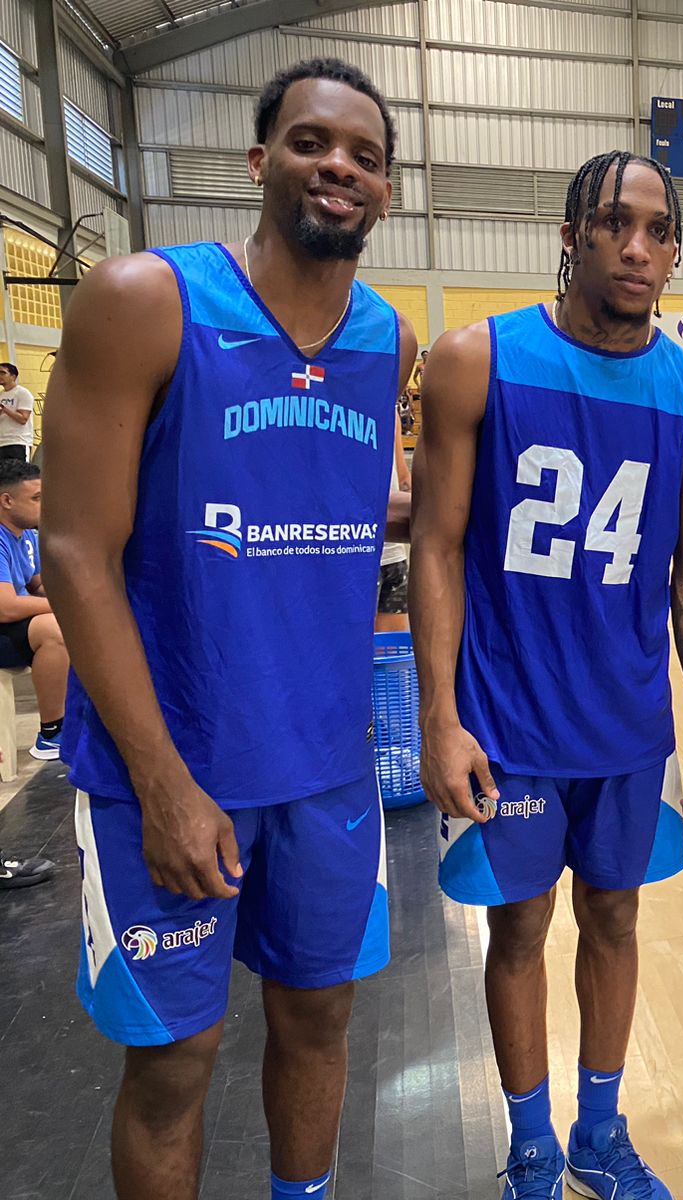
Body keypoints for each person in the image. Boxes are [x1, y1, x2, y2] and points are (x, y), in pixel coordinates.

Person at [43, 57, 415, 1200]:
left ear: (386, 190)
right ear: (259, 163)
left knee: (319, 1022)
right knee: (174, 1063)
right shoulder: (144, 301)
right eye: (310, 142)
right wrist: (163, 784)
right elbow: (74, 553)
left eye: (363, 155)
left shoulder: (388, 341)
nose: (338, 166)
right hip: (171, 766)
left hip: (327, 771)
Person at [411, 149, 683, 1200]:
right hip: (506, 723)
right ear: (569, 237)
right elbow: (435, 546)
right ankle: (531, 1147)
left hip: (626, 726)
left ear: (676, 252)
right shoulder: (477, 360)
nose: (637, 248)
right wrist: (439, 716)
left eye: (658, 231)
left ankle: (597, 1132)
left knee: (616, 919)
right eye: (613, 224)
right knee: (518, 929)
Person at [0, 459, 69, 758]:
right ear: (7, 500)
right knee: (54, 628)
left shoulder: (26, 533)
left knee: (84, 621)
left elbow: (38, 584)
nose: (44, 506)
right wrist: (60, 607)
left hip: (12, 628)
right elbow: (5, 608)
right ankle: (51, 733)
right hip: (4, 624)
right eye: (36, 499)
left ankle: (81, 718)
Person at [377, 415, 411, 633]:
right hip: (358, 552)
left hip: (391, 554)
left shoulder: (390, 411)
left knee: (391, 649)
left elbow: (404, 478)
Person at [0, 362, 35, 462]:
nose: (0, 376)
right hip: (2, 443)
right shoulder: (1, 395)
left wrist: (5, 409)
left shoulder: (22, 393)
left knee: (21, 471)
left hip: (19, 442)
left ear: (13, 376)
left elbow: (23, 419)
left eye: (3, 373)